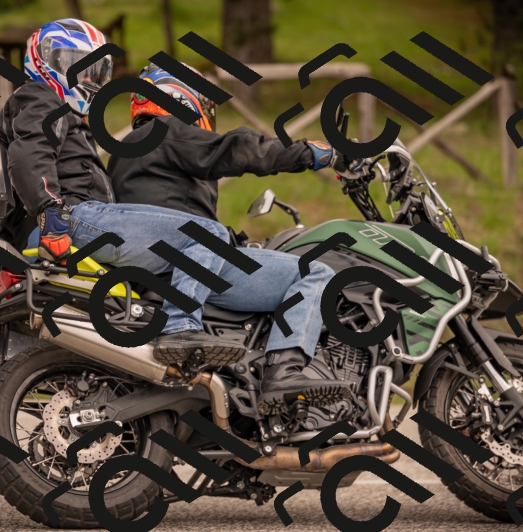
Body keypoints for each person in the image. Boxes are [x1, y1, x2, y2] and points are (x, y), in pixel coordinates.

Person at [0, 19, 251, 365]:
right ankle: (180, 329)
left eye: (95, 70)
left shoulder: (57, 111)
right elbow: (30, 153)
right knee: (206, 234)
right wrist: (49, 211)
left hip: (65, 220)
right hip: (70, 219)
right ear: (44, 60)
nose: (87, 78)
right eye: (75, 65)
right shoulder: (40, 97)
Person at [107, 64, 353, 414]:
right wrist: (312, 153)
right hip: (179, 265)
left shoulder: (129, 150)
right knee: (314, 273)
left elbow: (172, 207)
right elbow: (236, 149)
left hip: (156, 264)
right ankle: (284, 372)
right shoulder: (165, 132)